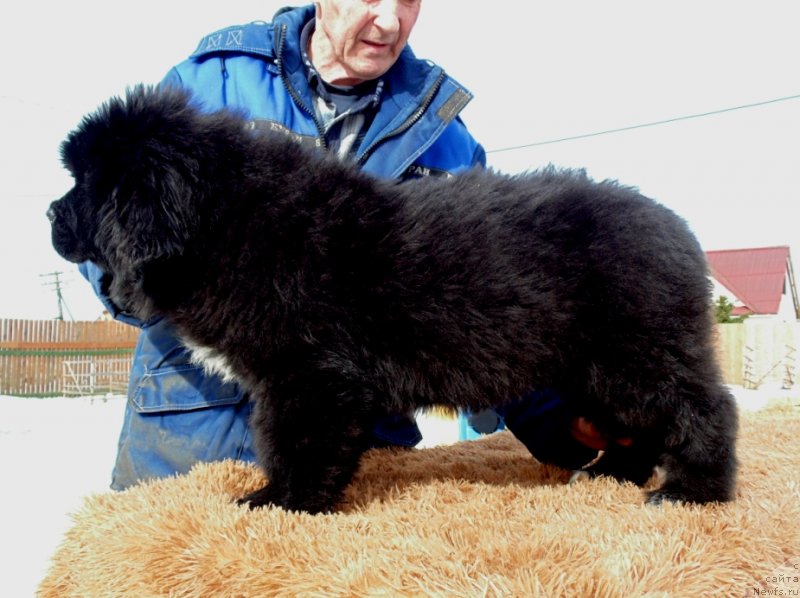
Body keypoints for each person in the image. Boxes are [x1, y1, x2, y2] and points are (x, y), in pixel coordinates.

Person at [80, 1, 623, 491]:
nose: (389, 20)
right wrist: (143, 279)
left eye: (408, 0)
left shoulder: (444, 137)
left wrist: (559, 423)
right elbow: (104, 219)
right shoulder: (213, 82)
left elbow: (500, 314)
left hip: (356, 465)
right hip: (193, 445)